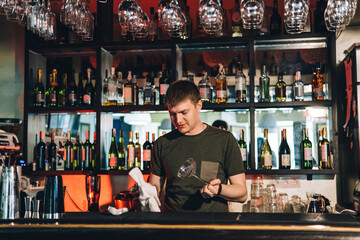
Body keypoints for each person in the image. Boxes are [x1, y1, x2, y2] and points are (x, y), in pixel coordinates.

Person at [150, 80, 247, 212]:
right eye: (172, 113)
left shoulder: (224, 139)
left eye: (184, 113)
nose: (178, 120)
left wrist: (218, 189)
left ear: (198, 105)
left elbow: (242, 193)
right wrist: (143, 193)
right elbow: (154, 188)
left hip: (214, 227)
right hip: (173, 227)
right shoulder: (162, 143)